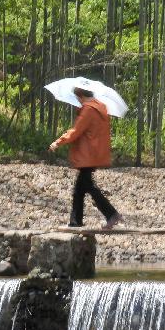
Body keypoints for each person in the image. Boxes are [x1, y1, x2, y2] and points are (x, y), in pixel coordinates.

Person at [50, 84, 124, 229]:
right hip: (95, 153)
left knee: (87, 187)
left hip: (87, 154)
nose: (78, 101)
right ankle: (76, 221)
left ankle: (111, 214)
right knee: (80, 189)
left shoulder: (88, 110)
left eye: (78, 98)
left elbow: (76, 131)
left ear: (80, 96)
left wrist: (58, 142)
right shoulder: (101, 108)